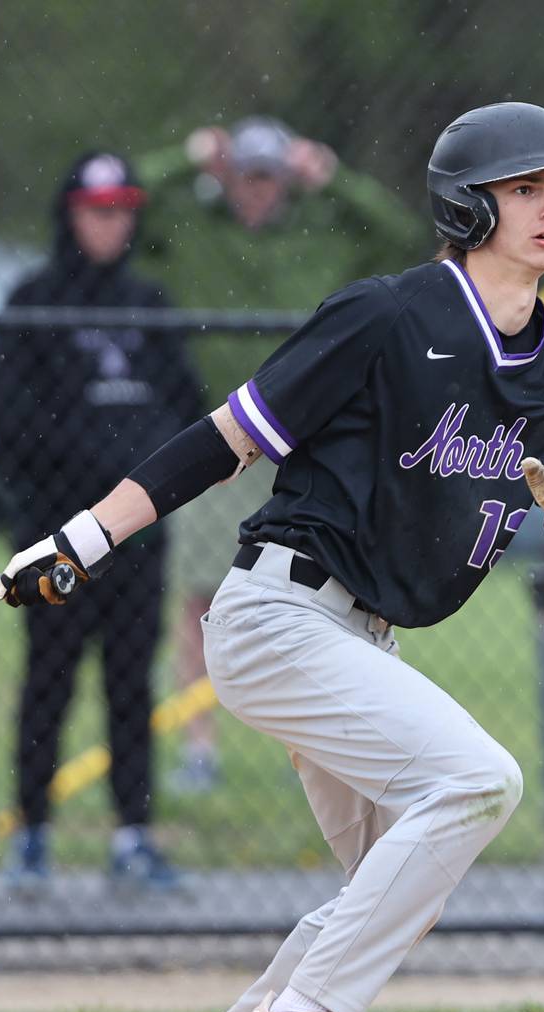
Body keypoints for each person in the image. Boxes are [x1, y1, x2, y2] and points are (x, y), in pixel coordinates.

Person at [0, 102, 544, 1012]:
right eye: (522, 189)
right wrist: (86, 538)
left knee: (388, 876)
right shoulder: (387, 317)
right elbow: (224, 439)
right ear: (469, 206)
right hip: (277, 616)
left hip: (360, 638)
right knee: (477, 781)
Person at [135, 117, 423, 794]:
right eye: (244, 176)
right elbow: (120, 212)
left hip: (312, 441)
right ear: (226, 177)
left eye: (269, 177)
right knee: (202, 597)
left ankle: (324, 750)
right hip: (223, 439)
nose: (256, 192)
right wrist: (184, 158)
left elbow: (403, 241)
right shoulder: (193, 232)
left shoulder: (322, 232)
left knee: (326, 596)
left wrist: (337, 180)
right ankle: (199, 745)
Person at [0, 152, 201, 895]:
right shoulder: (34, 300)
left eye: (123, 209)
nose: (112, 223)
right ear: (70, 212)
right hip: (58, 536)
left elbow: (187, 410)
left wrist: (140, 483)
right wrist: (98, 470)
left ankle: (133, 838)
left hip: (139, 539)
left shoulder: (151, 302)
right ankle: (33, 836)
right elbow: (10, 421)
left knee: (130, 685)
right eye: (97, 208)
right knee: (49, 679)